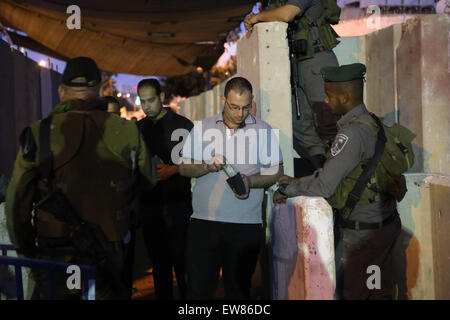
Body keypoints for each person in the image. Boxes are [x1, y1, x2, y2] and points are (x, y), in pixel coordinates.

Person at [5, 57, 156, 300]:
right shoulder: (126, 130)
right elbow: (147, 180)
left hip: (55, 256)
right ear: (98, 91)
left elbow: (16, 204)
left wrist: (26, 252)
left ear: (61, 92)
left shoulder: (39, 133)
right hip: (109, 254)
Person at [273, 63, 403, 300]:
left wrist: (287, 188)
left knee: (351, 292)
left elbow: (325, 185)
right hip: (385, 226)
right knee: (378, 291)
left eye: (330, 95)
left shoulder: (350, 134)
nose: (325, 99)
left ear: (344, 97)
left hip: (362, 235)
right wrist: (301, 180)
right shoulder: (374, 123)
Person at [178, 77, 284, 299]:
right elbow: (184, 168)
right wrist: (207, 166)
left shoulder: (263, 130)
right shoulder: (202, 127)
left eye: (245, 107)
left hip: (245, 227)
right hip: (204, 224)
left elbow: (276, 171)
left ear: (252, 102)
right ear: (223, 100)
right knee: (198, 292)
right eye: (234, 107)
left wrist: (250, 182)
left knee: (238, 293)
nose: (239, 114)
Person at [244, 0, 342, 171]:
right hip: (297, 64)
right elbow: (270, 15)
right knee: (297, 123)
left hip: (317, 60)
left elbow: (287, 14)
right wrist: (253, 19)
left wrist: (257, 17)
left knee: (327, 118)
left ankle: (344, 168)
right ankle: (322, 164)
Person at [137, 78, 194, 300]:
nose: (146, 106)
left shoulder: (183, 125)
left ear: (161, 97)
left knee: (183, 265)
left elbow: (200, 162)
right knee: (159, 266)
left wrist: (174, 170)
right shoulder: (137, 129)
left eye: (150, 100)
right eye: (142, 101)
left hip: (179, 205)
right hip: (150, 207)